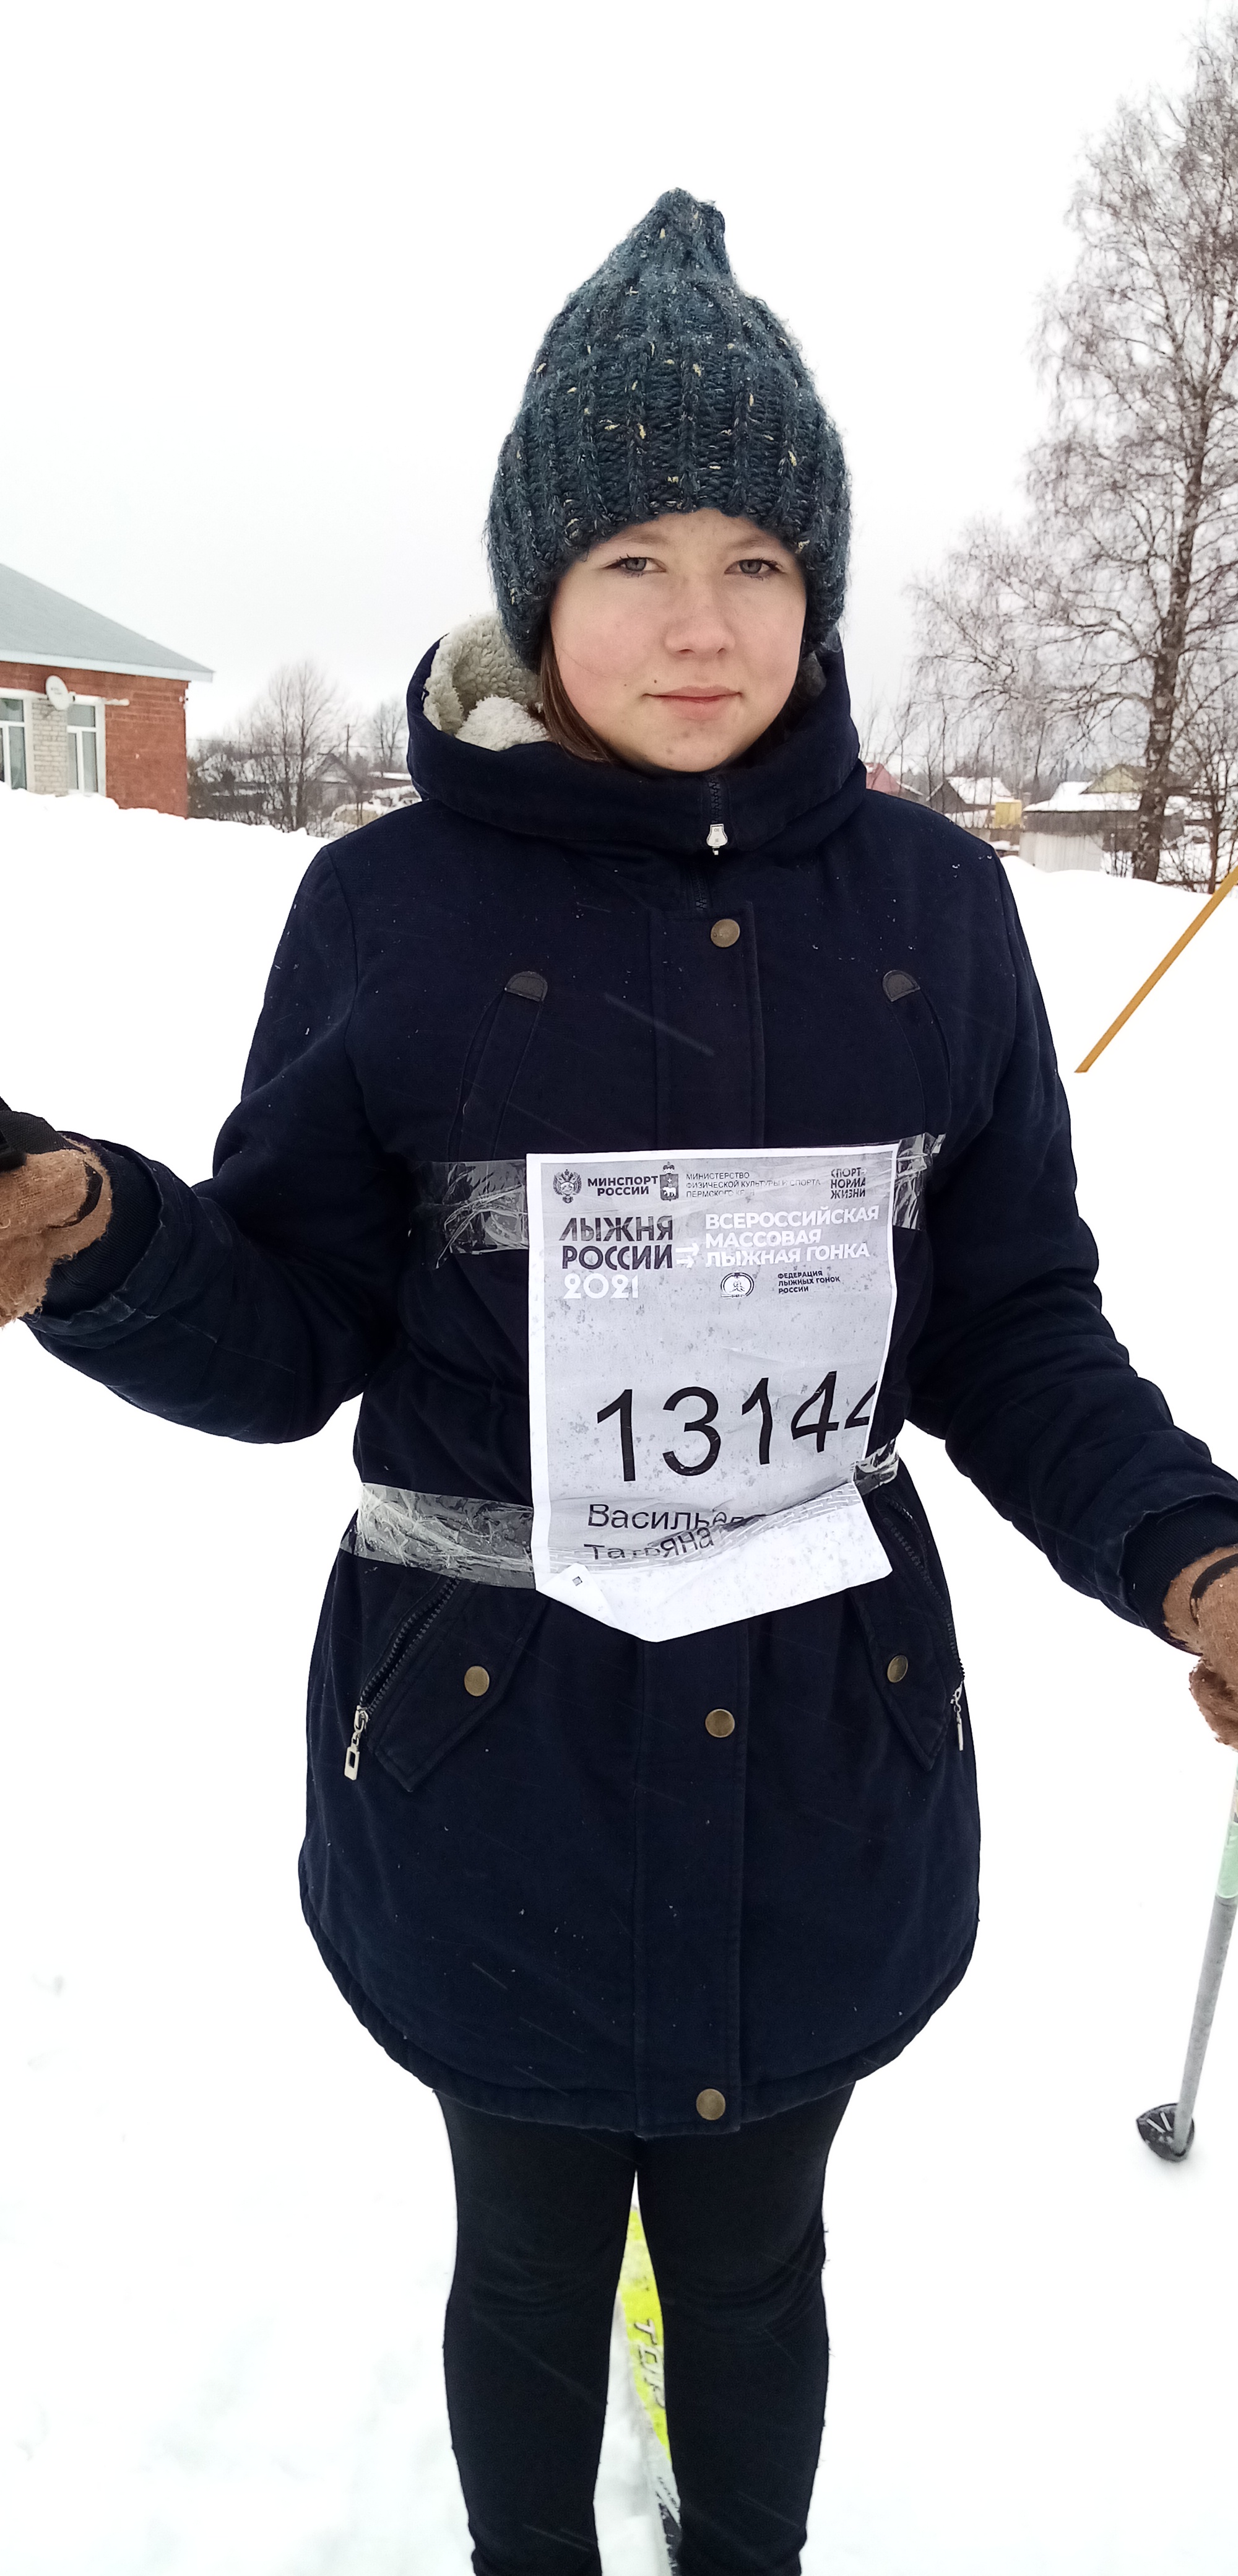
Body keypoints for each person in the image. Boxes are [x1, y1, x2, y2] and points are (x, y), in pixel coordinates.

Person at [3, 189, 1238, 2576]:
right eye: (639, 558)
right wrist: (105, 1245)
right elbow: (294, 1331)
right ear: (537, 588)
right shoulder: (388, 913)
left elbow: (1008, 1324)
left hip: (831, 1751)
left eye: (760, 562)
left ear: (822, 590)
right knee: (532, 2263)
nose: (702, 621)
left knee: (759, 2268)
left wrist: (1194, 1555)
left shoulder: (935, 913)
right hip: (498, 1758)